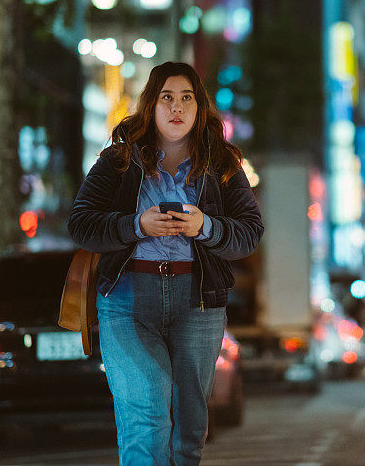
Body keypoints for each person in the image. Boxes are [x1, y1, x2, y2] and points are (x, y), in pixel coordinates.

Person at [68, 61, 264, 465]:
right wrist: (137, 224)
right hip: (127, 301)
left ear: (200, 108)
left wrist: (204, 225)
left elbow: (249, 232)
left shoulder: (222, 165)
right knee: (147, 414)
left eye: (187, 98)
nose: (177, 108)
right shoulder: (118, 160)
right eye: (167, 98)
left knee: (190, 428)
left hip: (199, 302)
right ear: (151, 106)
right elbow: (82, 223)